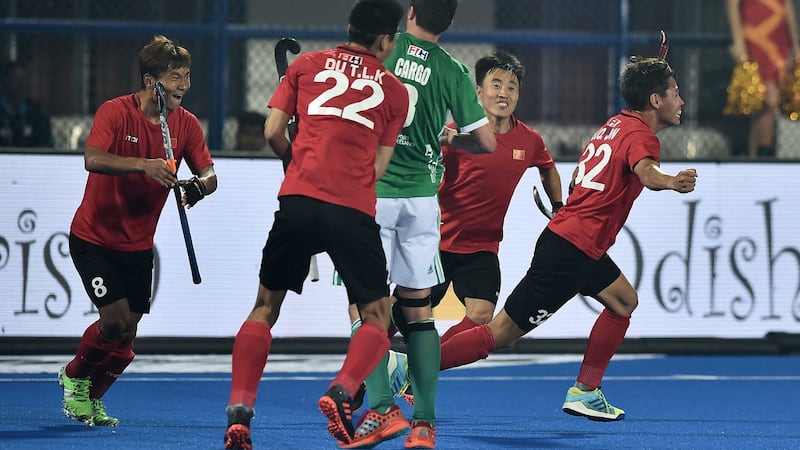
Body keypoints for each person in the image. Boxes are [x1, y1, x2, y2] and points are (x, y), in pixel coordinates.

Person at [433, 55, 697, 422]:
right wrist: (670, 181)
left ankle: (586, 391)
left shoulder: (614, 126)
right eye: (675, 93)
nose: (680, 101)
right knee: (500, 333)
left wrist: (565, 207)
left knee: (623, 301)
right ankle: (414, 366)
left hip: (577, 244)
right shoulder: (642, 137)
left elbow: (576, 180)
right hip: (572, 250)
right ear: (655, 100)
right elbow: (647, 172)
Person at [222, 1, 408, 449]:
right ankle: (343, 390)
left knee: (265, 305)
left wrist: (295, 161)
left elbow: (271, 131)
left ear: (348, 28)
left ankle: (240, 416)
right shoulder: (395, 91)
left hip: (299, 199)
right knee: (377, 317)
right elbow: (377, 169)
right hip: (352, 209)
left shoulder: (305, 65)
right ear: (386, 41)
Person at [343, 0, 496, 448]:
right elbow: (486, 140)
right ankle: (424, 425)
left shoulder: (384, 47)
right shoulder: (451, 68)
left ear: (410, 12)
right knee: (419, 313)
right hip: (421, 200)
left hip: (372, 193)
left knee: (364, 308)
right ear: (447, 23)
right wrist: (448, 135)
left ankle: (382, 407)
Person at [58, 35, 217, 427]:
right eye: (176, 77)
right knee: (113, 321)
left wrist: (198, 188)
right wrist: (143, 165)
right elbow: (92, 158)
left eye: (188, 76)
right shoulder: (115, 113)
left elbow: (209, 174)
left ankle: (93, 399)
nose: (185, 85)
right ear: (151, 81)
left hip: (138, 246)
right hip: (93, 238)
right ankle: (74, 378)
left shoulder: (187, 125)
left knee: (127, 336)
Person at [432, 50, 562, 346]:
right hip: (436, 242)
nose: (504, 93)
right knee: (403, 313)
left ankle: (423, 364)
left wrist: (558, 206)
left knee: (481, 315)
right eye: (496, 84)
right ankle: (365, 371)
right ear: (479, 91)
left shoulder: (529, 140)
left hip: (482, 248)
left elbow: (548, 169)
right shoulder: (452, 136)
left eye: (511, 87)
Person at [726, 0, 800, 158]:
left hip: (778, 36)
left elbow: (786, 5)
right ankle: (762, 156)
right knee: (766, 101)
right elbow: (732, 5)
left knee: (766, 105)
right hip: (755, 34)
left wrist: (794, 43)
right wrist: (738, 42)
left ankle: (757, 158)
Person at [0, 60, 54, 147]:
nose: (21, 85)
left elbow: (47, 146)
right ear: (5, 81)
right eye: (16, 79)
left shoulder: (37, 114)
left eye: (24, 80)